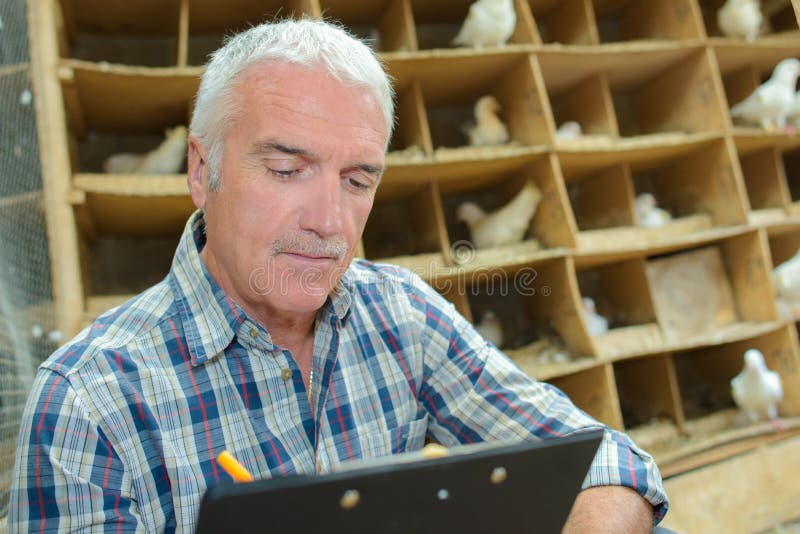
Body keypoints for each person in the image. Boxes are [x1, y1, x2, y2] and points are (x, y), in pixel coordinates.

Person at [9, 18, 668, 532]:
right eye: (287, 169)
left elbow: (606, 460)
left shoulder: (401, 313)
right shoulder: (89, 400)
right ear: (199, 171)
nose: (330, 220)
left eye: (357, 179)